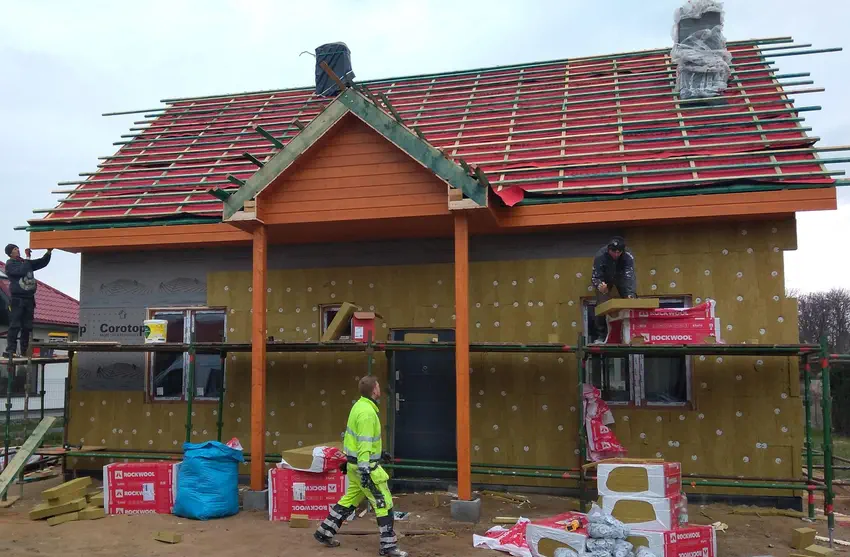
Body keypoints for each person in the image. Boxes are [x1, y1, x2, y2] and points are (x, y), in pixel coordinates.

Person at [315, 375, 407, 557]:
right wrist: (365, 470)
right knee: (384, 503)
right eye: (378, 386)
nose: (380, 389)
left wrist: (378, 454)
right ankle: (388, 546)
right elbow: (364, 444)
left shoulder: (359, 406)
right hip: (365, 468)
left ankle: (325, 532)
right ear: (374, 390)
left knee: (349, 500)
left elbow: (356, 440)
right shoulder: (367, 413)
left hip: (354, 465)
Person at [3, 244, 52, 358]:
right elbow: (22, 271)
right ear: (10, 253)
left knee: (27, 326)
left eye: (17, 248)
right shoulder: (10, 264)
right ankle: (11, 350)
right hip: (17, 299)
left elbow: (41, 263)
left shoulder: (25, 262)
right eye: (15, 249)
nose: (18, 250)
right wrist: (28, 258)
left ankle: (25, 351)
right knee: (15, 325)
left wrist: (48, 252)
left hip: (29, 299)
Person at [591, 237, 636, 341]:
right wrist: (600, 285)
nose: (616, 254)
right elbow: (595, 276)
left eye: (618, 252)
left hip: (621, 276)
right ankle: (602, 335)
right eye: (613, 251)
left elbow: (629, 277)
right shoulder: (600, 256)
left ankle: (631, 331)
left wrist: (629, 293)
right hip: (605, 278)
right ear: (608, 249)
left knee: (631, 300)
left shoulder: (628, 256)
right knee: (602, 304)